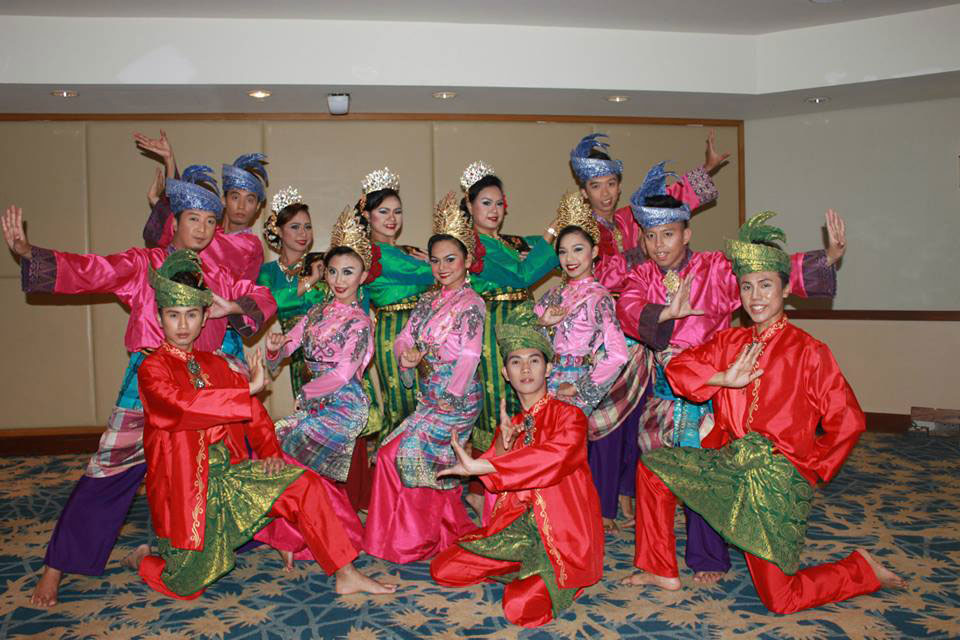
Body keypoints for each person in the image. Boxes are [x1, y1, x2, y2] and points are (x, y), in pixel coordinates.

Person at [1, 166, 277, 608]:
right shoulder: (145, 264)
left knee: (214, 466)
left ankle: (219, 544)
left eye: (211, 221)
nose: (202, 229)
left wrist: (232, 306)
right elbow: (93, 270)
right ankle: (57, 565)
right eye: (193, 219)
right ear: (175, 221)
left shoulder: (218, 273)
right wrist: (28, 252)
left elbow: (261, 295)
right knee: (108, 469)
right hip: (150, 378)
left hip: (201, 382)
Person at [621, 212, 905, 613]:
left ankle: (862, 569)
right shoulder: (730, 342)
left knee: (781, 599)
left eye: (766, 285)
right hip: (731, 463)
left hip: (775, 478)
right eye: (747, 286)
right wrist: (721, 378)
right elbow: (679, 370)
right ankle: (659, 568)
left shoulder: (809, 351)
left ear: (785, 290)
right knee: (653, 468)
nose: (755, 296)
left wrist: (807, 468)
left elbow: (848, 420)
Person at [617, 162, 846, 583]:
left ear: (687, 233)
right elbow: (628, 309)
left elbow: (767, 270)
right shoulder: (641, 276)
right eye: (650, 236)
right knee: (654, 470)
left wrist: (826, 260)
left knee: (706, 479)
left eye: (668, 234)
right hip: (665, 389)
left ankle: (708, 558)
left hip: (713, 390)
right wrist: (666, 313)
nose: (659, 245)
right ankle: (657, 563)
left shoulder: (716, 269)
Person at [130, 249, 395, 598]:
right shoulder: (152, 369)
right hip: (188, 493)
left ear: (204, 317)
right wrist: (247, 388)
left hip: (230, 478)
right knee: (186, 584)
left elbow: (253, 414)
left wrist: (270, 451)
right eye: (173, 315)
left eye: (191, 315)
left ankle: (346, 573)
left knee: (304, 485)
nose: (182, 326)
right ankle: (143, 559)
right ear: (159, 317)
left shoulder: (215, 364)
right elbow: (181, 408)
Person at [430, 304, 604, 628]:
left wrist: (484, 465)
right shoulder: (512, 425)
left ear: (548, 369)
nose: (526, 369)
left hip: (564, 538)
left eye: (534, 360)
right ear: (506, 373)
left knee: (520, 607)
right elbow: (495, 478)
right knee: (444, 568)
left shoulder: (570, 416)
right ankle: (520, 565)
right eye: (516, 362)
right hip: (520, 530)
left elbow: (554, 458)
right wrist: (501, 447)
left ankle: (561, 576)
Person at [363, 192, 485, 563]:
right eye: (435, 260)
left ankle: (421, 539)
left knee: (411, 454)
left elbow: (469, 356)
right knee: (388, 454)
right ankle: (393, 536)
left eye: (450, 259)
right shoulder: (429, 301)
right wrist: (407, 356)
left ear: (467, 260)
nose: (442, 268)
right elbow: (405, 337)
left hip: (457, 399)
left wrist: (449, 397)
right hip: (430, 396)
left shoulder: (472, 303)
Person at [256, 205, 377, 560]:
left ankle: (315, 537)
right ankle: (300, 534)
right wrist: (274, 348)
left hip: (344, 404)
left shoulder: (359, 322)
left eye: (348, 272)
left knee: (290, 447)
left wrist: (306, 394)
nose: (339, 280)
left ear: (363, 277)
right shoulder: (316, 312)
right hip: (317, 402)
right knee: (281, 447)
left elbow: (342, 374)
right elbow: (287, 348)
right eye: (333, 271)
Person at [534, 192, 630, 530]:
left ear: (594, 252)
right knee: (542, 449)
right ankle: (548, 518)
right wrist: (542, 325)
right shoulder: (553, 295)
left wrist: (582, 388)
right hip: (546, 380)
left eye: (577, 249)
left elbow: (617, 353)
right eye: (562, 251)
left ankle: (571, 522)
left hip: (574, 383)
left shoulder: (599, 298)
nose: (569, 258)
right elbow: (529, 340)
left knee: (566, 455)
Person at [569, 131, 727, 294]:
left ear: (619, 187)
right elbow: (596, 277)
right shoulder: (581, 233)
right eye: (596, 186)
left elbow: (670, 198)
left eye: (611, 184)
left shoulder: (630, 216)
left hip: (648, 296)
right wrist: (639, 252)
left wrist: (708, 168)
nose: (605, 193)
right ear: (584, 192)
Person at [358, 167, 435, 440]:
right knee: (403, 404)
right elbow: (423, 274)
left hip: (424, 328)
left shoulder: (409, 251)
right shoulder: (370, 253)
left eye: (397, 211)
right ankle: (394, 465)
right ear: (367, 215)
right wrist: (438, 263)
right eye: (383, 211)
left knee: (430, 402)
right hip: (393, 328)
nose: (392, 218)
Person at [257, 186, 328, 398]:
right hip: (296, 350)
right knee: (307, 408)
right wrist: (311, 280)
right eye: (295, 227)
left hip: (332, 346)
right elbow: (271, 301)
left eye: (307, 227)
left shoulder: (324, 262)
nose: (303, 233)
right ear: (279, 230)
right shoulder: (268, 272)